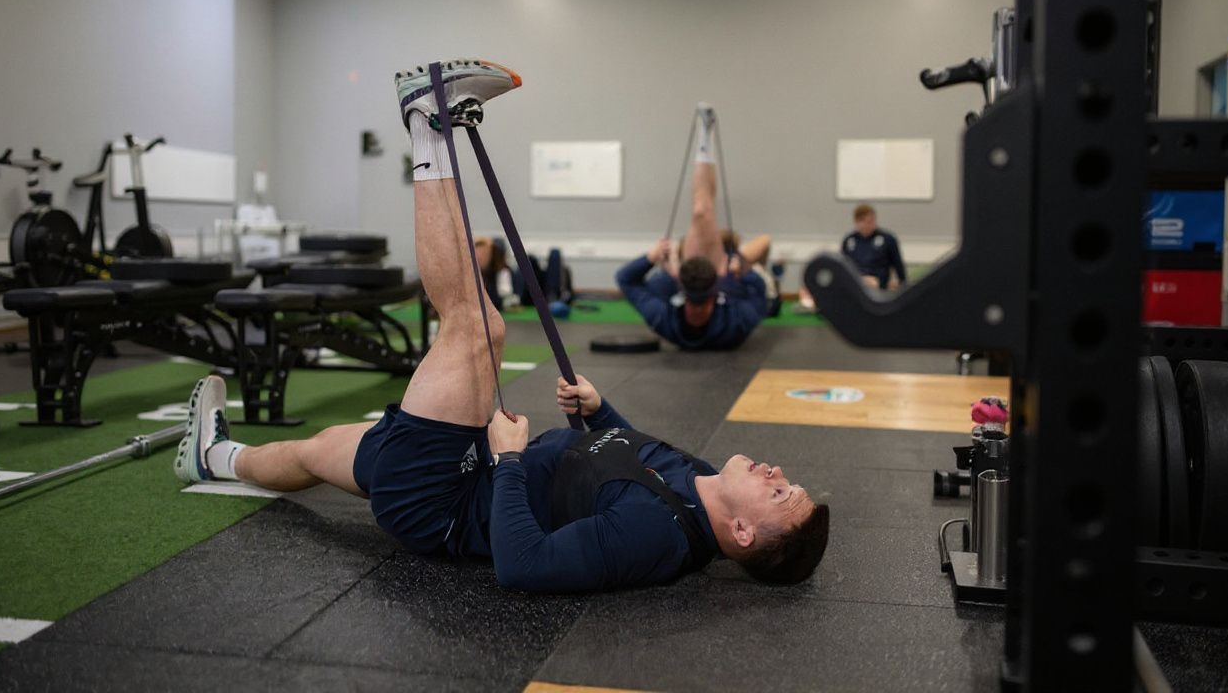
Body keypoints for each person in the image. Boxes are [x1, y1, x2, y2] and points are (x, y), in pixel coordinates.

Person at [173, 60, 830, 593]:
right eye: (788, 480)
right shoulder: (702, 480)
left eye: (781, 493)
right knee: (314, 452)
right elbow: (631, 458)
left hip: (446, 497)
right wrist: (601, 413)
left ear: (742, 534)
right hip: (475, 465)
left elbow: (523, 566)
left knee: (478, 329)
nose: (777, 472)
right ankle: (217, 457)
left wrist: (512, 460)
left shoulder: (655, 539)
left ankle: (427, 125)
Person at [617, 104, 770, 349]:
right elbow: (760, 294)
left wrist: (651, 257)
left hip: (701, 271)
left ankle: (704, 141)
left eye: (695, 303)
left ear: (682, 289)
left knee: (701, 210)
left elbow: (625, 279)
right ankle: (704, 141)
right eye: (697, 304)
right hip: (732, 270)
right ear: (715, 292)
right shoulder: (737, 323)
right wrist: (744, 270)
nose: (697, 311)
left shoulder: (663, 317)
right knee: (758, 240)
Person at [841, 203, 906, 290]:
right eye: (864, 222)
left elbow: (898, 266)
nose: (868, 225)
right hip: (856, 286)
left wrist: (903, 285)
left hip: (879, 286)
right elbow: (843, 267)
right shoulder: (849, 241)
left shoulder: (887, 239)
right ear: (857, 222)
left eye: (871, 221)